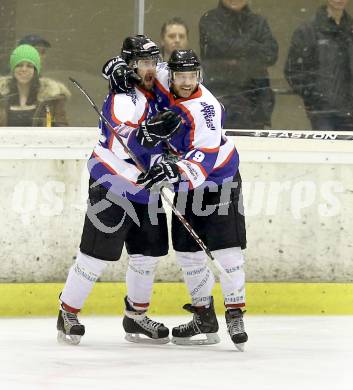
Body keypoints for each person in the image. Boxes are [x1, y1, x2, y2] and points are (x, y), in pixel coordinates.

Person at [106, 49, 248, 351]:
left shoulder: (206, 110)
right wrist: (115, 69)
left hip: (217, 178)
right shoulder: (160, 75)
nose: (186, 82)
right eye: (181, 76)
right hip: (184, 182)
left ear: (200, 76)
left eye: (192, 76)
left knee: (226, 250)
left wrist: (171, 169)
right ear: (171, 73)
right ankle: (204, 317)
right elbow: (138, 65)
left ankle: (235, 312)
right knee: (188, 252)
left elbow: (202, 164)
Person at [57, 35, 182, 345]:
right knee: (95, 255)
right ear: (130, 65)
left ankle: (136, 318)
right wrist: (150, 135)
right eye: (142, 63)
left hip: (147, 187)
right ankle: (67, 312)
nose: (150, 68)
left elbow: (183, 74)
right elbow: (121, 143)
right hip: (112, 181)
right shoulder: (122, 97)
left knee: (147, 255)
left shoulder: (159, 82)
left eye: (152, 61)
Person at [199, 0, 278, 130]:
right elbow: (224, 48)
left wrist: (236, 52)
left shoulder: (259, 22)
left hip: (255, 102)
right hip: (220, 100)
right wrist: (253, 48)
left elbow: (271, 54)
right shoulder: (209, 20)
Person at [285, 0, 353, 131]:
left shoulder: (350, 28)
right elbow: (292, 69)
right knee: (326, 150)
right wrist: (312, 96)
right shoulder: (308, 30)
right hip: (323, 111)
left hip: (349, 108)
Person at [0, 44, 70, 127]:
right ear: (13, 69)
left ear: (36, 71)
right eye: (19, 65)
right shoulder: (2, 97)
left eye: (29, 66)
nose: (24, 69)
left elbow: (63, 131)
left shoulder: (52, 98)